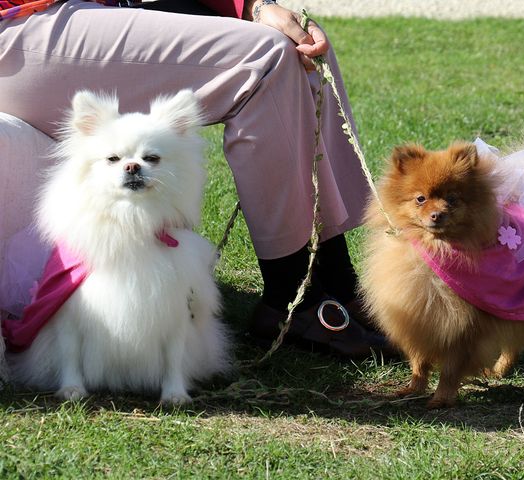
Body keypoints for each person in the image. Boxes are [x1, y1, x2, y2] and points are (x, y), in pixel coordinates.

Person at [0, 0, 391, 357]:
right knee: (265, 58)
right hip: (17, 23)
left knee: (300, 39)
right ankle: (292, 299)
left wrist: (253, 5)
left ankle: (338, 282)